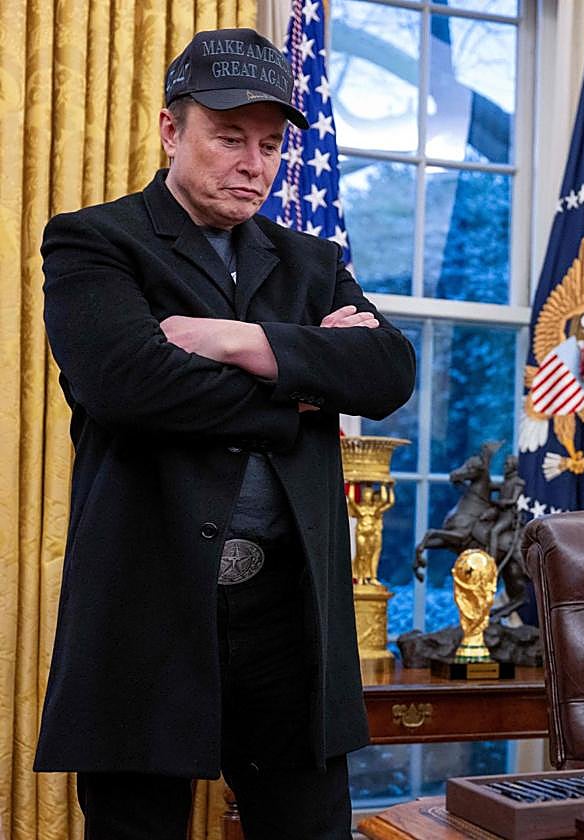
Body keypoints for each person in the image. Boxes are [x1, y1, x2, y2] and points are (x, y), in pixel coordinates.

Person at [34, 28, 416, 839]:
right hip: (152, 605)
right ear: (172, 130)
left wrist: (235, 341)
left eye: (270, 145)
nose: (254, 164)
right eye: (230, 137)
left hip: (291, 615)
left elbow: (387, 373)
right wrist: (304, 388)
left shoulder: (313, 262)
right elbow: (129, 386)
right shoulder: (94, 240)